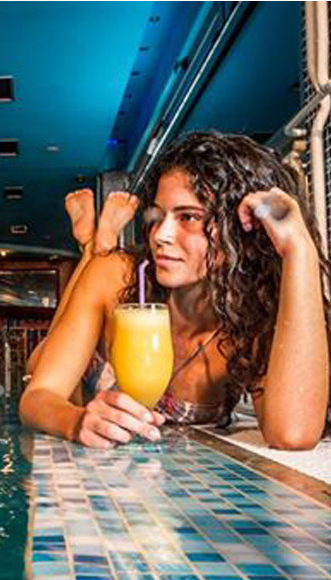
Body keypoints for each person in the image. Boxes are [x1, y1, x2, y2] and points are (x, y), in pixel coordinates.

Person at [20, 131, 331, 450]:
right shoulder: (115, 275)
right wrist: (76, 422)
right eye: (158, 216)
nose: (161, 235)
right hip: (81, 382)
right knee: (40, 360)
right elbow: (38, 397)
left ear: (242, 230)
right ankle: (94, 245)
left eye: (189, 217)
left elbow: (293, 434)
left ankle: (93, 242)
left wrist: (299, 250)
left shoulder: (252, 324)